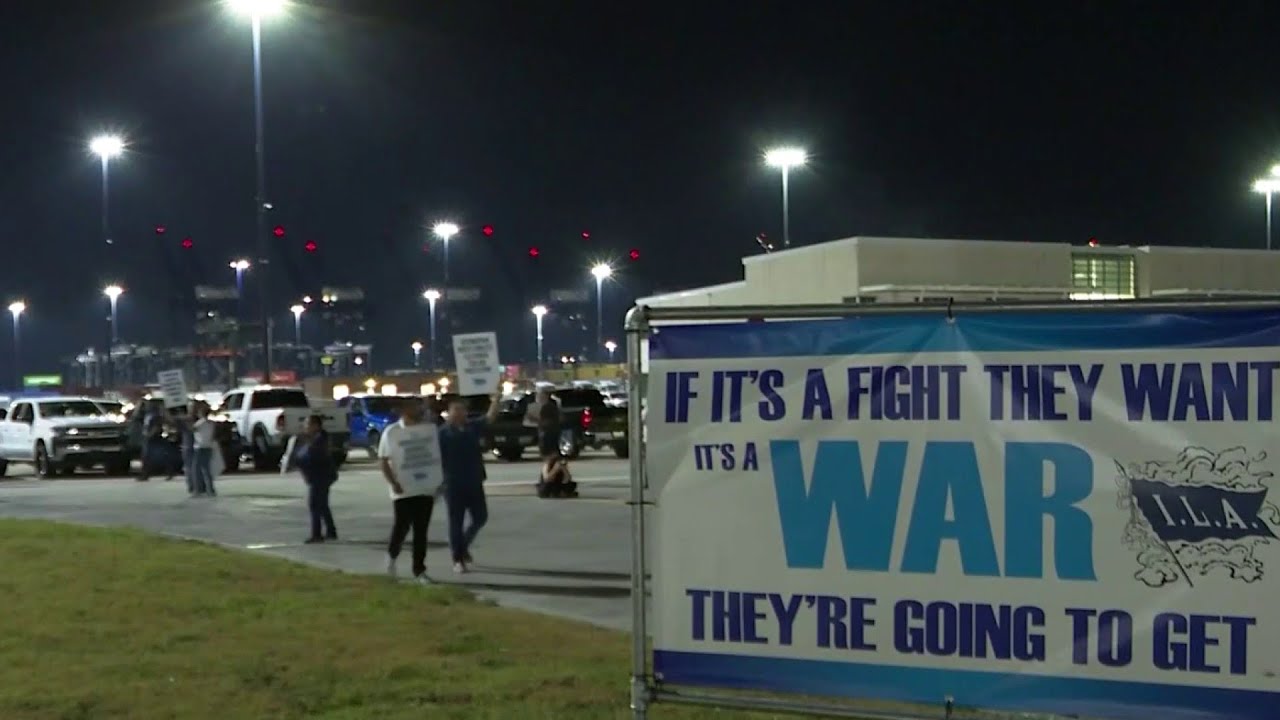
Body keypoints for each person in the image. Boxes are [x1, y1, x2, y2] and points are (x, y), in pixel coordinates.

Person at [378, 397, 444, 585]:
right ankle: (391, 558)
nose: (417, 410)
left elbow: (434, 456)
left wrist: (436, 479)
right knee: (401, 527)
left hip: (425, 489)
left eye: (418, 406)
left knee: (421, 531)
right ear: (403, 410)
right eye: (413, 406)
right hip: (403, 489)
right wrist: (393, 482)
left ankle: (419, 570)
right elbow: (383, 460)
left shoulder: (427, 431)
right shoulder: (392, 432)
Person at [439, 392, 501, 573]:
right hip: (452, 484)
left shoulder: (471, 427)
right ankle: (457, 558)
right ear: (448, 412)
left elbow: (489, 418)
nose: (460, 412)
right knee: (455, 522)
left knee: (480, 517)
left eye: (463, 409)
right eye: (456, 409)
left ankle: (463, 546)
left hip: (474, 481)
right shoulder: (442, 434)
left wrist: (496, 400)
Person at [295, 414, 338, 543]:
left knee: (315, 504)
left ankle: (316, 534)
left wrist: (300, 460)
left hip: (321, 476)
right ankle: (331, 531)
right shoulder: (314, 438)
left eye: (307, 424)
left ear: (315, 426)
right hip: (319, 475)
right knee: (322, 504)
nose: (305, 427)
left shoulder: (320, 440)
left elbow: (313, 457)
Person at [527, 389, 576, 498]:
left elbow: (548, 423)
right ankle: (559, 485)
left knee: (553, 470)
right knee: (557, 469)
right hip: (552, 451)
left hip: (551, 448)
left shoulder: (548, 420)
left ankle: (555, 484)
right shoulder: (552, 420)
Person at [192, 404, 217, 496]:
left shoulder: (200, 422)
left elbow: (192, 429)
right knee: (207, 469)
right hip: (208, 446)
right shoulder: (211, 423)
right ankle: (211, 489)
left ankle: (197, 490)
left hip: (200, 447)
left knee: (196, 469)